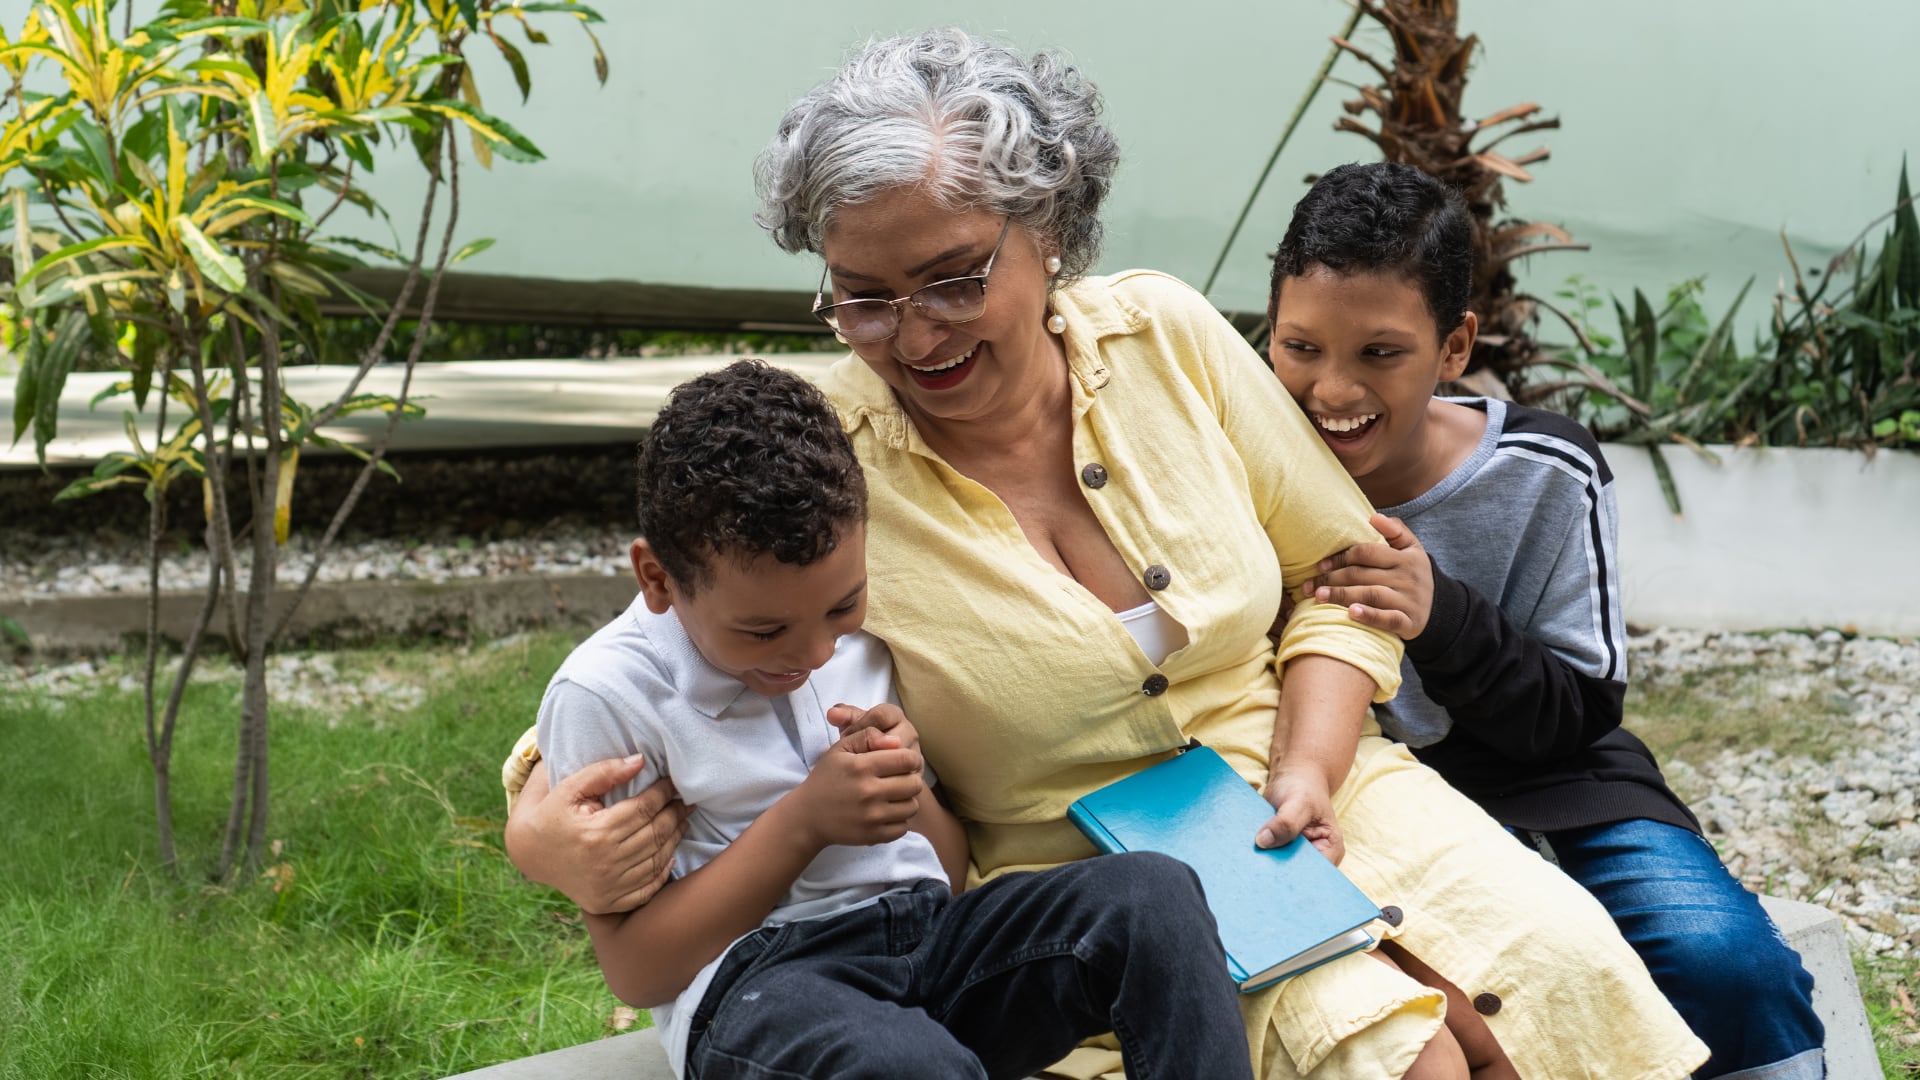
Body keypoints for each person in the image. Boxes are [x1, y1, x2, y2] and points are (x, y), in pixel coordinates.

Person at [507, 29, 1712, 1080]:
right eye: (863, 298)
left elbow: (1341, 574)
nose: (911, 333)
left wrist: (1306, 761)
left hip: (1328, 789)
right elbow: (678, 650)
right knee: (1410, 1057)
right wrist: (536, 830)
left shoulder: (1169, 337)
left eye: (952, 280)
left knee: (1555, 979)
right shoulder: (828, 456)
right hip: (1098, 874)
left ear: (1051, 233)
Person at [533, 358, 1256, 1080]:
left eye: (842, 607)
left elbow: (938, 871)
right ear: (657, 578)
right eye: (762, 633)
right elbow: (637, 971)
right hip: (766, 990)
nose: (814, 652)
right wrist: (804, 822)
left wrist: (905, 791)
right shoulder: (608, 696)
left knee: (1151, 897)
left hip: (927, 940)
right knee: (907, 1062)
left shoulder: (867, 630)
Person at [1266, 161, 1826, 1080]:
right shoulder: (1240, 465)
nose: (1331, 390)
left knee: (1724, 963)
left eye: (1379, 352)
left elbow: (1577, 712)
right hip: (1349, 806)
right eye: (1300, 348)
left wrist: (1440, 615)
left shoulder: (1544, 470)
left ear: (1454, 347)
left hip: (1550, 782)